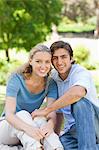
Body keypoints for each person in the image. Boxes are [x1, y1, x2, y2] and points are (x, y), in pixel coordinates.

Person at [32, 41, 99, 150]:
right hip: (74, 131)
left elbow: (78, 93)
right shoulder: (54, 78)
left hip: (95, 124)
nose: (59, 62)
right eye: (55, 58)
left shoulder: (80, 72)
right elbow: (58, 113)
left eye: (63, 57)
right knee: (59, 146)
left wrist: (46, 110)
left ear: (71, 58)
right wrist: (55, 135)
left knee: (79, 103)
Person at [0, 44, 64, 150]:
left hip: (30, 130)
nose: (43, 66)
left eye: (47, 62)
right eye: (38, 61)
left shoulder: (50, 83)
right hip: (7, 129)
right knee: (24, 114)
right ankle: (35, 148)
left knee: (41, 120)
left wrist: (50, 124)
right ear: (31, 61)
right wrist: (29, 129)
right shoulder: (16, 79)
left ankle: (56, 148)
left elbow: (50, 111)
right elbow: (9, 115)